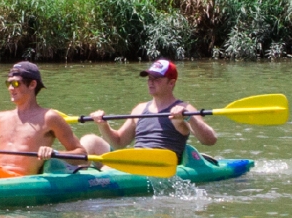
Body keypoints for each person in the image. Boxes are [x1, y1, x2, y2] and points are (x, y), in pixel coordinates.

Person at [79, 59, 217, 160]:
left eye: (156, 79)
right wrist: (103, 125)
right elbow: (119, 143)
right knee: (90, 140)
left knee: (110, 166)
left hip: (159, 164)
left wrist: (189, 118)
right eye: (149, 78)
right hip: (136, 159)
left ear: (171, 82)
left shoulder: (184, 108)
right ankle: (76, 170)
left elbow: (210, 140)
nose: (151, 82)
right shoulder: (139, 109)